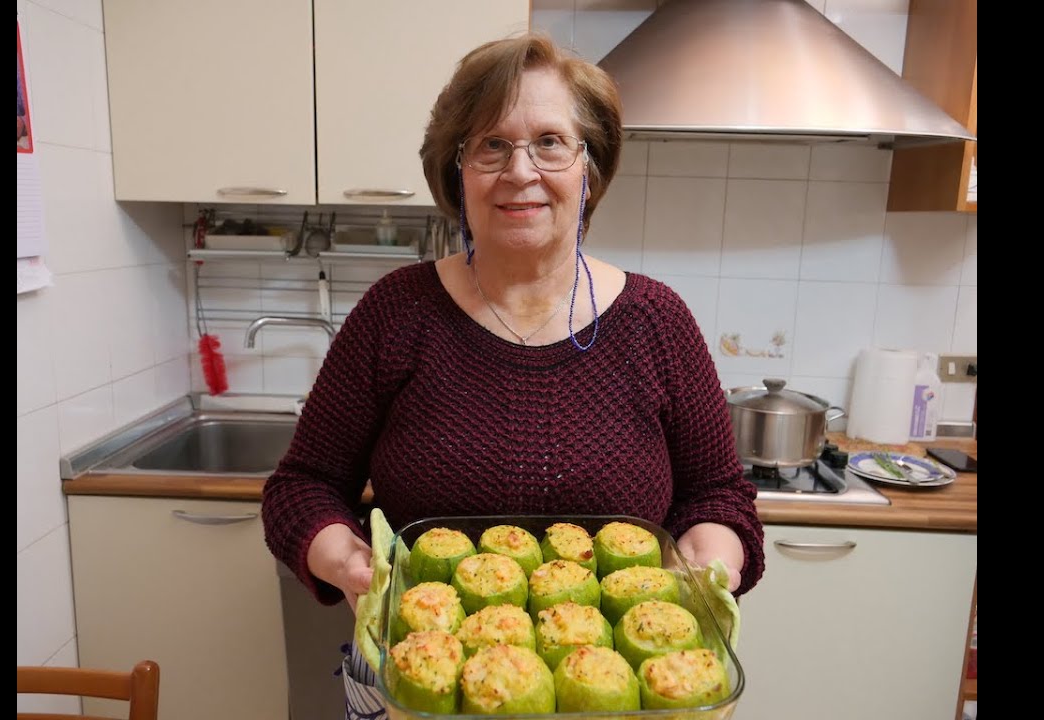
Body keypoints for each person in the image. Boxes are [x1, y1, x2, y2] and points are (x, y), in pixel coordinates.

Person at [263, 28, 762, 634]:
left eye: (551, 142)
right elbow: (302, 487)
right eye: (492, 145)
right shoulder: (396, 312)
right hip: (420, 666)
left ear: (590, 168)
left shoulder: (658, 322)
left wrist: (712, 560)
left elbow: (718, 497)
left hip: (620, 678)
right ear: (458, 172)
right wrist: (348, 562)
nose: (520, 171)